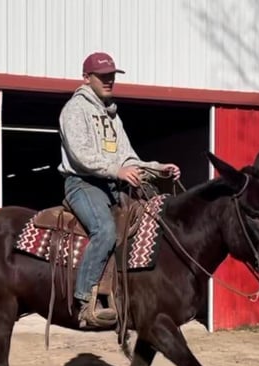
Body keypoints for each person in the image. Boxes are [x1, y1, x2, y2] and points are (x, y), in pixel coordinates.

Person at [58, 51, 181, 329]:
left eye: (112, 75)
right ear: (86, 78)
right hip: (83, 184)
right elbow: (81, 156)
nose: (109, 80)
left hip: (110, 186)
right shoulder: (75, 110)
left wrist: (157, 168)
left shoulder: (112, 114)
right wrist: (117, 171)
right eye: (103, 76)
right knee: (105, 230)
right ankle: (84, 298)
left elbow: (127, 157)